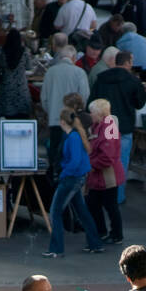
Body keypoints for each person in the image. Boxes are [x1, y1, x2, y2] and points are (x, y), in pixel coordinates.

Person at [43, 108, 104, 259]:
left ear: (62, 122)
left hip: (71, 178)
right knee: (81, 211)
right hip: (77, 178)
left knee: (55, 212)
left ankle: (56, 249)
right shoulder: (76, 135)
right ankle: (95, 244)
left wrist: (63, 174)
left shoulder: (72, 138)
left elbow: (74, 161)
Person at [92, 49, 146, 207]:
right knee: (120, 163)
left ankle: (100, 195)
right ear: (128, 63)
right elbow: (140, 103)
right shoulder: (133, 81)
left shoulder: (101, 79)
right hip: (123, 127)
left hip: (103, 126)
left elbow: (92, 100)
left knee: (99, 161)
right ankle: (117, 197)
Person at [41, 37, 89, 172]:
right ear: (73, 58)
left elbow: (43, 98)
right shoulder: (79, 72)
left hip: (54, 120)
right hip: (73, 120)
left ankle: (54, 180)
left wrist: (50, 112)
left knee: (55, 152)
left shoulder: (50, 72)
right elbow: (84, 96)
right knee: (71, 153)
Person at [86, 98, 125, 243]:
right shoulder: (102, 126)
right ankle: (107, 232)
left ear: (99, 113)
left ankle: (114, 234)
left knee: (108, 205)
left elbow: (107, 157)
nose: (90, 115)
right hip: (103, 175)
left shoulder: (107, 128)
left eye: (92, 112)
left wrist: (89, 164)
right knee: (98, 203)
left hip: (107, 175)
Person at [0, 28, 33, 118]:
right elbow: (29, 67)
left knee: (6, 119)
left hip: (6, 88)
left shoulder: (1, 51)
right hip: (21, 89)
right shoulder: (25, 52)